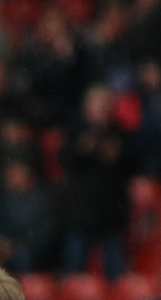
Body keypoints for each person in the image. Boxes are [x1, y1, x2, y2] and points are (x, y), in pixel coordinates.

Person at [59, 87, 133, 279]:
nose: (102, 109)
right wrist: (83, 148)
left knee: (115, 276)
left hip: (110, 212)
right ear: (88, 107)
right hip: (81, 211)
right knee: (74, 274)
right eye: (98, 105)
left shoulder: (120, 134)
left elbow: (131, 164)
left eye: (106, 105)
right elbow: (64, 159)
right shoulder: (75, 131)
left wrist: (115, 156)